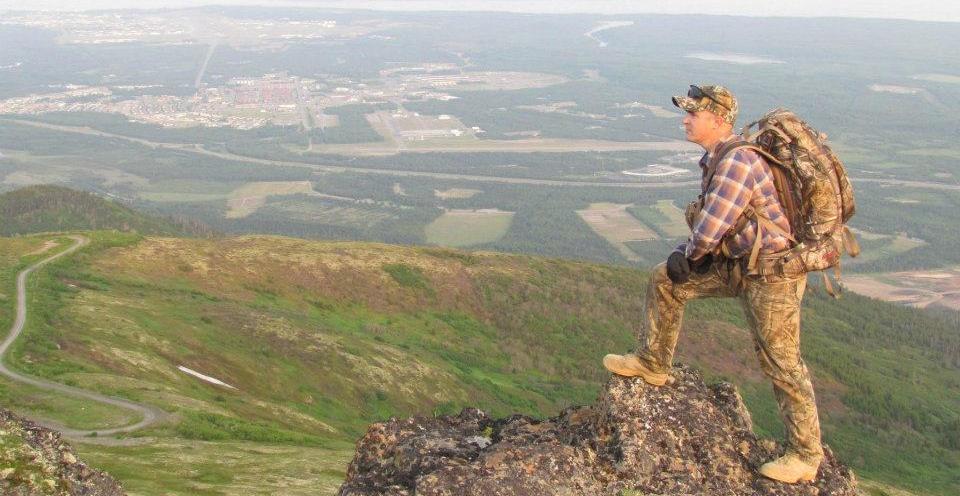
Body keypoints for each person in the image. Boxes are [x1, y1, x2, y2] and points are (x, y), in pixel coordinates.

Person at [602, 85, 824, 484]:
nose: (685, 120)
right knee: (665, 281)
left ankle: (806, 456)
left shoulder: (737, 161)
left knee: (781, 360)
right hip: (740, 264)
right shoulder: (718, 158)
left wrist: (686, 255)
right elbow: (713, 231)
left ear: (719, 121)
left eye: (693, 114)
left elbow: (709, 230)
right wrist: (684, 257)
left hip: (772, 275)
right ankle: (653, 363)